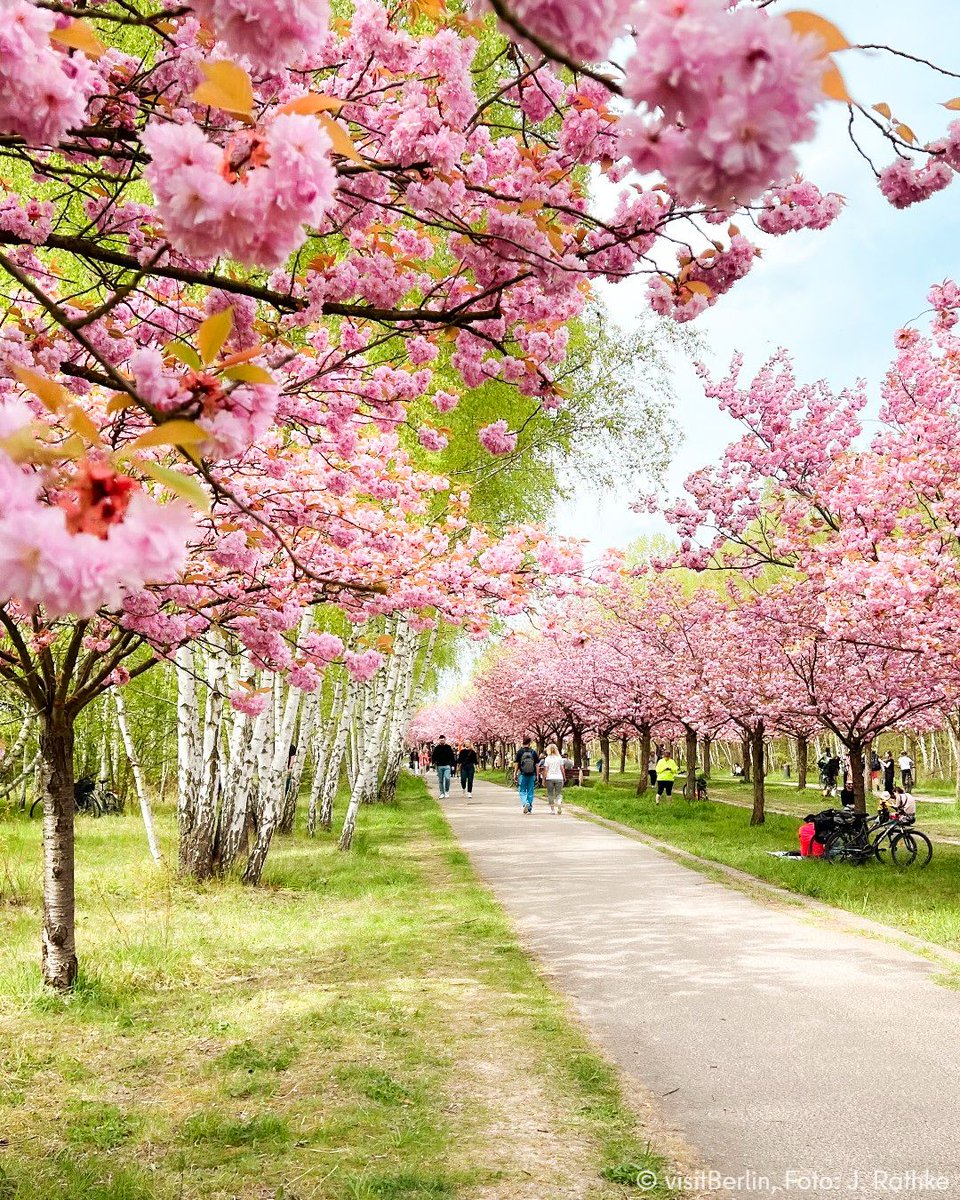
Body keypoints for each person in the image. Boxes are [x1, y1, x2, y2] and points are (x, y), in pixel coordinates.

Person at [539, 743, 569, 815]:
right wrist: (564, 777)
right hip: (559, 778)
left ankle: (552, 810)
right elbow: (562, 769)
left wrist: (543, 779)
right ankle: (559, 802)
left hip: (550, 778)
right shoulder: (559, 758)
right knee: (559, 793)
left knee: (550, 794)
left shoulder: (547, 759)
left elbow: (545, 770)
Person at [514, 736, 539, 814]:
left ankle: (525, 803)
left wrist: (515, 773)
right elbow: (537, 765)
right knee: (530, 791)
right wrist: (537, 775)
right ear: (530, 742)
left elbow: (517, 764)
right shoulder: (533, 752)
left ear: (523, 742)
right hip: (532, 774)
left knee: (522, 790)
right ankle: (529, 808)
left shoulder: (520, 752)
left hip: (522, 774)